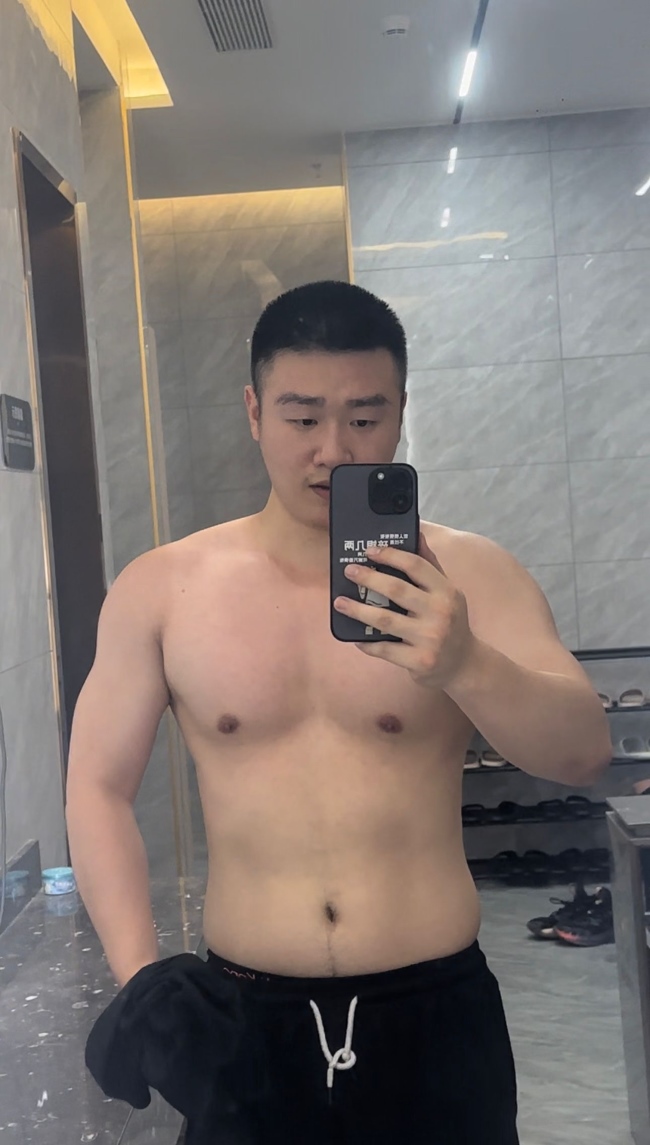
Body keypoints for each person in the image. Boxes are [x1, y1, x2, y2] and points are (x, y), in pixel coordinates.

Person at [66, 280, 613, 1145]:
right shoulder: (164, 587)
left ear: (401, 411)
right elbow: (97, 785)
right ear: (254, 412)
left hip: (435, 1015)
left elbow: (584, 751)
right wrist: (143, 979)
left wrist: (466, 661)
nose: (332, 449)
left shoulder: (473, 574)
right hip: (242, 1022)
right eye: (302, 416)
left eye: (364, 416)